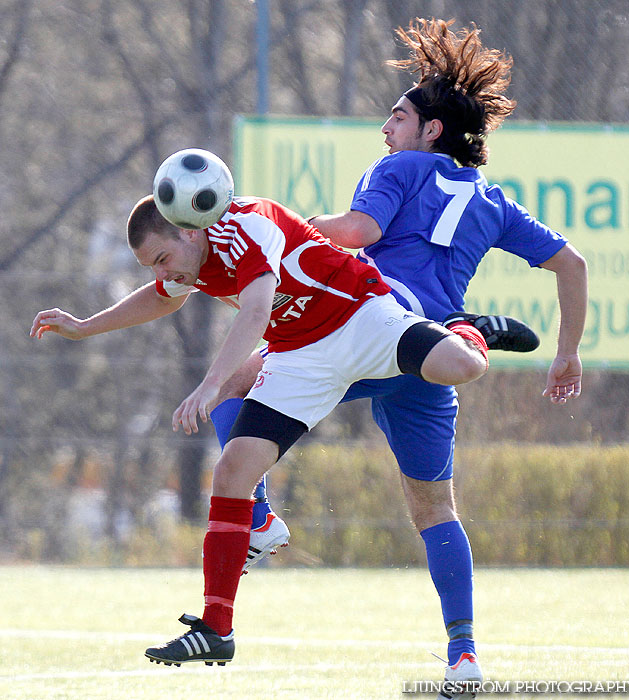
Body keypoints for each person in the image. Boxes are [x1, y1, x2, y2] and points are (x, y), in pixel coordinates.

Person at [207, 17, 588, 696]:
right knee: (436, 510)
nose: (386, 129)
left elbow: (362, 231)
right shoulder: (495, 203)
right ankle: (465, 657)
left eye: (398, 115)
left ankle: (259, 518)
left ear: (430, 130)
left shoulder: (400, 168)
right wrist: (567, 354)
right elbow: (573, 263)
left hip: (376, 328)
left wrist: (293, 229)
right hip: (428, 348)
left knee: (232, 382)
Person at [30, 185, 532, 668]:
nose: (163, 272)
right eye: (152, 266)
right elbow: (163, 297)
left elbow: (253, 312)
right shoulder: (190, 258)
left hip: (360, 316)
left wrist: (210, 385)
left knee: (461, 366)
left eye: (161, 259)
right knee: (231, 472)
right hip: (301, 357)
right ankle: (217, 627)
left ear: (187, 231)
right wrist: (85, 325)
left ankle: (471, 329)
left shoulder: (248, 223)